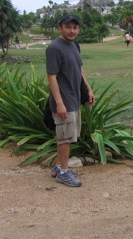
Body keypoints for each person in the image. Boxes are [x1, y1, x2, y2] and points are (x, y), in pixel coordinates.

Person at [46, 15, 95, 187]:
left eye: (75, 27)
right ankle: (64, 173)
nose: (72, 31)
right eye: (68, 27)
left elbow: (80, 69)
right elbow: (51, 76)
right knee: (65, 137)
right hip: (64, 100)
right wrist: (59, 103)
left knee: (69, 135)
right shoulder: (54, 48)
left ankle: (59, 167)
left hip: (74, 97)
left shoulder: (74, 45)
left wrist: (88, 89)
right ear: (60, 28)